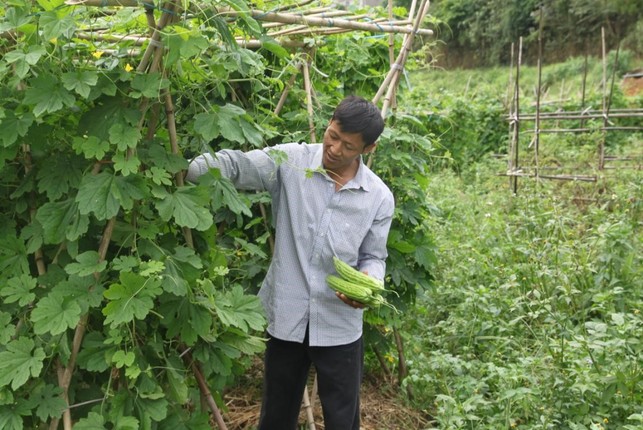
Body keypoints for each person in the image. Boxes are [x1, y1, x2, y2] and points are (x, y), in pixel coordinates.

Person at [185, 95, 395, 430]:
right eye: (333, 135)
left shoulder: (378, 198)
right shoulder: (291, 161)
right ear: (329, 123)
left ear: (368, 149)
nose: (335, 149)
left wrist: (368, 283)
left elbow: (374, 256)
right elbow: (241, 166)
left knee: (343, 420)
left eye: (349, 146)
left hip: (339, 324)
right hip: (287, 316)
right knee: (277, 417)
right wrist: (192, 168)